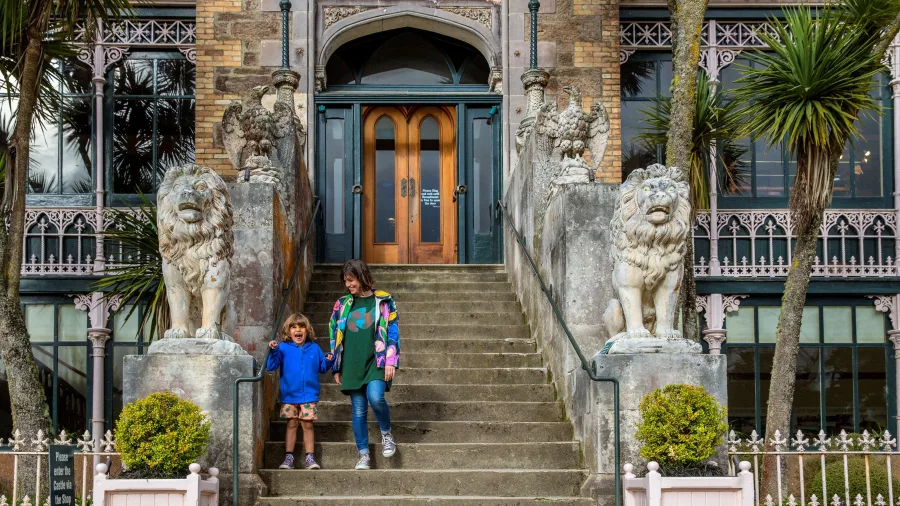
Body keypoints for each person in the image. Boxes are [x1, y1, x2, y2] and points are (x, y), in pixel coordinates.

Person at [329, 259, 400, 470]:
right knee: (358, 410)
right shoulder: (341, 304)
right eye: (346, 281)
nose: (348, 285)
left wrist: (390, 360)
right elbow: (334, 334)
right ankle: (363, 455)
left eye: (351, 280)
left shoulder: (384, 300)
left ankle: (386, 434)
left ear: (361, 276)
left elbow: (393, 332)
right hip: (351, 362)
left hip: (376, 360)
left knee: (376, 397)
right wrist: (336, 366)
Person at [267, 313, 333, 470]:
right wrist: (273, 351)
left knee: (307, 424)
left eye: (302, 326)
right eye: (294, 327)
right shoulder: (283, 348)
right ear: (288, 331)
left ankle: (310, 457)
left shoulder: (314, 348)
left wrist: (329, 359)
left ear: (307, 330)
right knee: (291, 424)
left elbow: (322, 368)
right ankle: (288, 457)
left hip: (309, 394)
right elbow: (271, 366)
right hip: (289, 395)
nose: (298, 330)